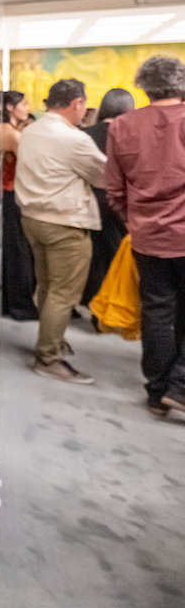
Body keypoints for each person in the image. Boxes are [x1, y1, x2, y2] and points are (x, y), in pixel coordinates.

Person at [104, 56, 185, 418]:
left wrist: (134, 220)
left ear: (143, 85)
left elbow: (114, 190)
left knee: (156, 311)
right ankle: (180, 387)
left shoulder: (122, 125)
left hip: (146, 236)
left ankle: (156, 394)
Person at [14, 78, 106, 384]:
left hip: (32, 219)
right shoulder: (74, 139)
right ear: (77, 103)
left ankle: (49, 339)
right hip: (65, 222)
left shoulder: (31, 130)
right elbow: (104, 176)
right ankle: (48, 356)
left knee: (47, 285)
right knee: (63, 293)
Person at [81, 88, 134, 307]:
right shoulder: (131, 133)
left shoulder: (85, 134)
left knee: (96, 259)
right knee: (121, 258)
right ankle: (118, 308)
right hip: (123, 203)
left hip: (90, 201)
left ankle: (96, 309)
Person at [0, 91, 39, 320]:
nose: (28, 107)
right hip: (11, 194)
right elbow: (31, 164)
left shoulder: (3, 129)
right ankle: (20, 305)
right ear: (11, 107)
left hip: (4, 195)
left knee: (10, 251)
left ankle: (8, 302)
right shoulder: (10, 132)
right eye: (24, 103)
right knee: (18, 252)